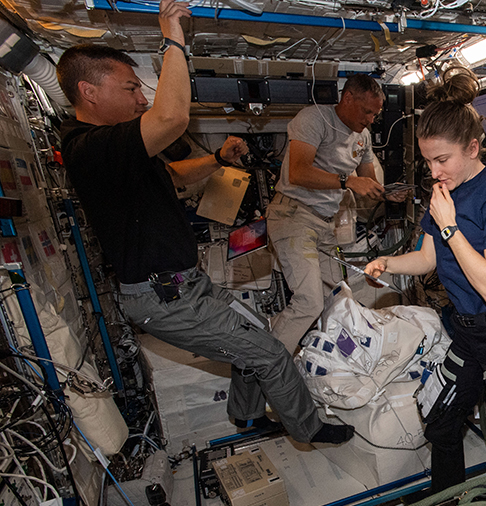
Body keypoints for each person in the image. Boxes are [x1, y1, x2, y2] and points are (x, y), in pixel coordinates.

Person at [56, 0, 352, 446]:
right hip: (165, 296)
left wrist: (215, 159)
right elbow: (172, 117)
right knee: (271, 355)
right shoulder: (89, 148)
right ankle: (308, 429)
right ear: (90, 91)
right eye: (132, 88)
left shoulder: (118, 152)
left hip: (184, 285)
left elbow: (172, 177)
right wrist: (173, 35)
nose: (141, 98)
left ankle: (248, 417)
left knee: (254, 337)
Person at [364, 66, 486, 495]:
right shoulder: (443, 192)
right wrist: (387, 263)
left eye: (441, 160)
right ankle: (447, 498)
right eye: (428, 160)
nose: (434, 171)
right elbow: (428, 257)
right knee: (440, 421)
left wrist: (450, 227)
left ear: (472, 146)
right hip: (466, 333)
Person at [266, 73, 399, 353]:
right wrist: (347, 181)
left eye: (375, 114)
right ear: (347, 98)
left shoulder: (362, 137)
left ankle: (329, 360)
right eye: (366, 111)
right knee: (308, 302)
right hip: (294, 217)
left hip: (325, 224)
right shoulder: (315, 119)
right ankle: (266, 367)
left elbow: (368, 181)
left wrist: (387, 193)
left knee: (335, 298)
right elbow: (299, 172)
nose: (370, 120)